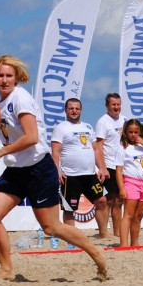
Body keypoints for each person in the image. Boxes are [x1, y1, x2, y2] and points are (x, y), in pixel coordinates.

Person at [0, 55, 109, 281]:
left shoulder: (20, 98)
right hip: (16, 170)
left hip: (38, 168)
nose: (4, 80)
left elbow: (31, 137)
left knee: (51, 227)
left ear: (16, 78)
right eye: (0, 75)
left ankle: (95, 252)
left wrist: (1, 152)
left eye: (9, 75)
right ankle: (7, 270)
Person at [50, 98, 104, 228]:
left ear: (81, 110)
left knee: (102, 201)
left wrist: (102, 168)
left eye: (77, 108)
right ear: (66, 110)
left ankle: (103, 233)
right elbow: (55, 151)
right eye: (71, 108)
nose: (74, 111)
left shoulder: (88, 126)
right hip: (70, 176)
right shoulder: (60, 128)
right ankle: (71, 236)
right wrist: (57, 170)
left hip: (90, 174)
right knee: (69, 208)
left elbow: (96, 149)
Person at [117, 119, 143, 247]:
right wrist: (122, 188)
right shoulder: (123, 148)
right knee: (128, 214)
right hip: (131, 182)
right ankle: (124, 244)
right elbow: (119, 171)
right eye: (130, 132)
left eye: (136, 132)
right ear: (126, 132)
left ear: (140, 132)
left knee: (139, 215)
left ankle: (134, 243)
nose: (133, 135)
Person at [93, 93, 123, 239]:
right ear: (107, 106)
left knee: (119, 201)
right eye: (113, 105)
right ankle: (104, 233)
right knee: (108, 200)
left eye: (118, 104)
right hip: (109, 165)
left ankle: (117, 233)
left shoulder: (125, 120)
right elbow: (99, 145)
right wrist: (102, 167)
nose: (116, 107)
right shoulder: (103, 122)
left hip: (121, 166)